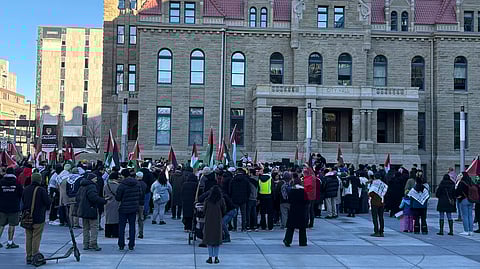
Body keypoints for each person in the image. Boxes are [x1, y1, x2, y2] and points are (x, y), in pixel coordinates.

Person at [22, 173, 51, 265]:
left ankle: (29, 256)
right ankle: (35, 255)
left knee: (28, 237)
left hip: (27, 217)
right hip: (38, 217)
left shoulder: (25, 189)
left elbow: (22, 201)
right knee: (36, 237)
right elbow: (48, 202)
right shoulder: (41, 190)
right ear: (40, 180)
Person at [76, 173, 106, 251]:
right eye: (95, 179)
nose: (96, 180)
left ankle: (85, 244)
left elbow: (77, 197)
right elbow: (93, 197)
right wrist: (103, 200)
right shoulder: (92, 186)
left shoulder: (82, 186)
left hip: (83, 209)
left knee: (85, 227)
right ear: (92, 179)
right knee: (94, 227)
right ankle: (93, 243)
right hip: (91, 209)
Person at [116, 169, 144, 250]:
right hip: (133, 208)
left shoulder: (122, 185)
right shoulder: (137, 184)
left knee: (121, 227)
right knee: (132, 226)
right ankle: (131, 244)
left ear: (123, 175)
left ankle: (121, 244)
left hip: (123, 208)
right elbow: (140, 195)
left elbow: (118, 198)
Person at [0, 167, 23, 249]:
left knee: (1, 224)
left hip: (2, 207)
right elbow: (21, 193)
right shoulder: (17, 182)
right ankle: (10, 242)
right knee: (12, 224)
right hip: (14, 207)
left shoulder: (1, 182)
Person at [283, 175, 308, 247]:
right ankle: (303, 242)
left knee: (291, 227)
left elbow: (289, 200)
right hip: (302, 211)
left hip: (293, 210)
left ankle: (287, 240)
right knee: (302, 228)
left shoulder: (292, 191)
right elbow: (306, 201)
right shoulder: (304, 191)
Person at [203, 185, 226, 264]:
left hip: (209, 220)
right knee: (217, 240)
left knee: (209, 240)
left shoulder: (207, 200)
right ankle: (216, 257)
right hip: (217, 220)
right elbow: (224, 209)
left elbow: (204, 210)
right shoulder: (221, 200)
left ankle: (210, 257)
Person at [368, 172, 387, 237]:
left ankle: (376, 231)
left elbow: (371, 193)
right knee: (381, 217)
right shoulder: (383, 184)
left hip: (374, 202)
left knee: (375, 217)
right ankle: (381, 231)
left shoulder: (374, 183)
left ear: (375, 177)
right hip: (381, 202)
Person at [104, 172, 121, 238]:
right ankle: (115, 233)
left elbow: (104, 194)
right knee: (115, 218)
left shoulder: (106, 185)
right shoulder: (118, 186)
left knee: (108, 219)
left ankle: (108, 233)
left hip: (107, 203)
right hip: (116, 203)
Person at [136, 172, 147, 239]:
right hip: (141, 202)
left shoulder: (135, 184)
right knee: (141, 218)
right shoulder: (144, 184)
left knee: (133, 219)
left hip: (135, 202)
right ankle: (141, 233)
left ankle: (132, 233)